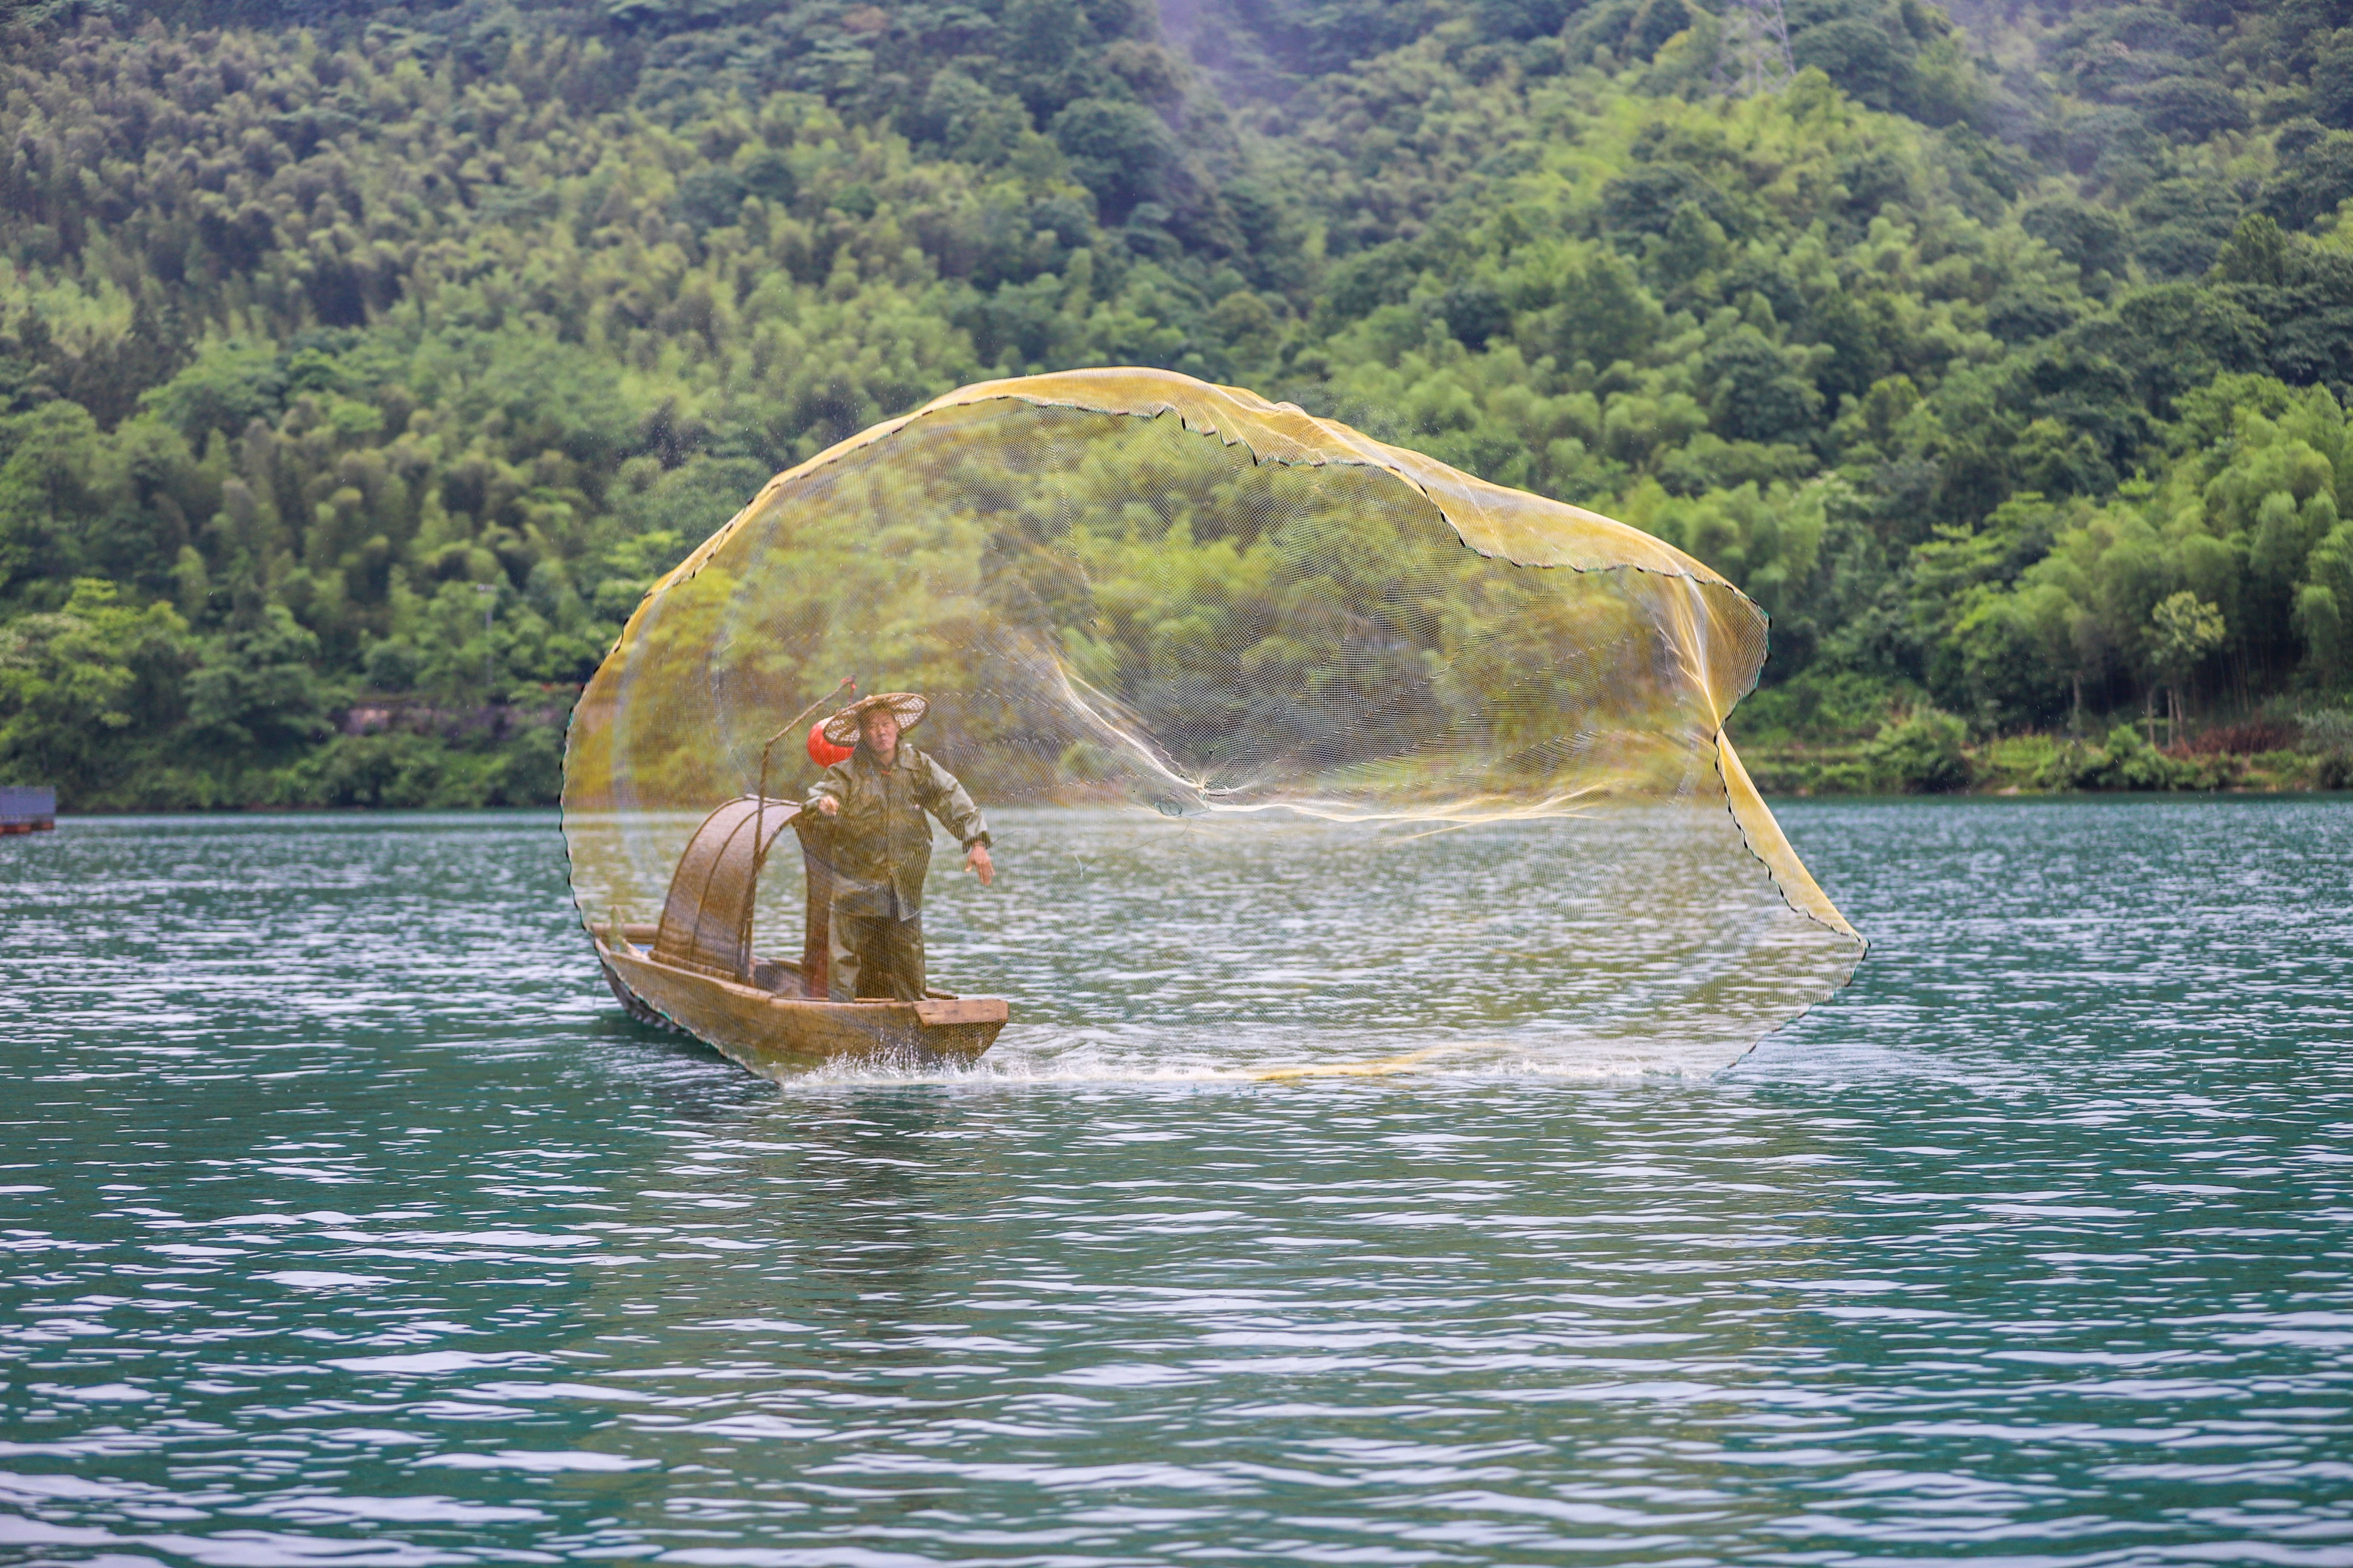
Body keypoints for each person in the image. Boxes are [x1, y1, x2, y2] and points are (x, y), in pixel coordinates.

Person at [804, 691, 993, 1003]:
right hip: (857, 879)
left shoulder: (917, 766)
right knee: (845, 958)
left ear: (897, 726)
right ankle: (842, 1022)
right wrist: (823, 804)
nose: (880, 732)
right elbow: (819, 795)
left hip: (904, 878)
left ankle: (912, 1017)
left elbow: (952, 798)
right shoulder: (846, 773)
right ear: (862, 735)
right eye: (872, 727)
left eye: (886, 723)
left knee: (908, 955)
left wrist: (975, 842)